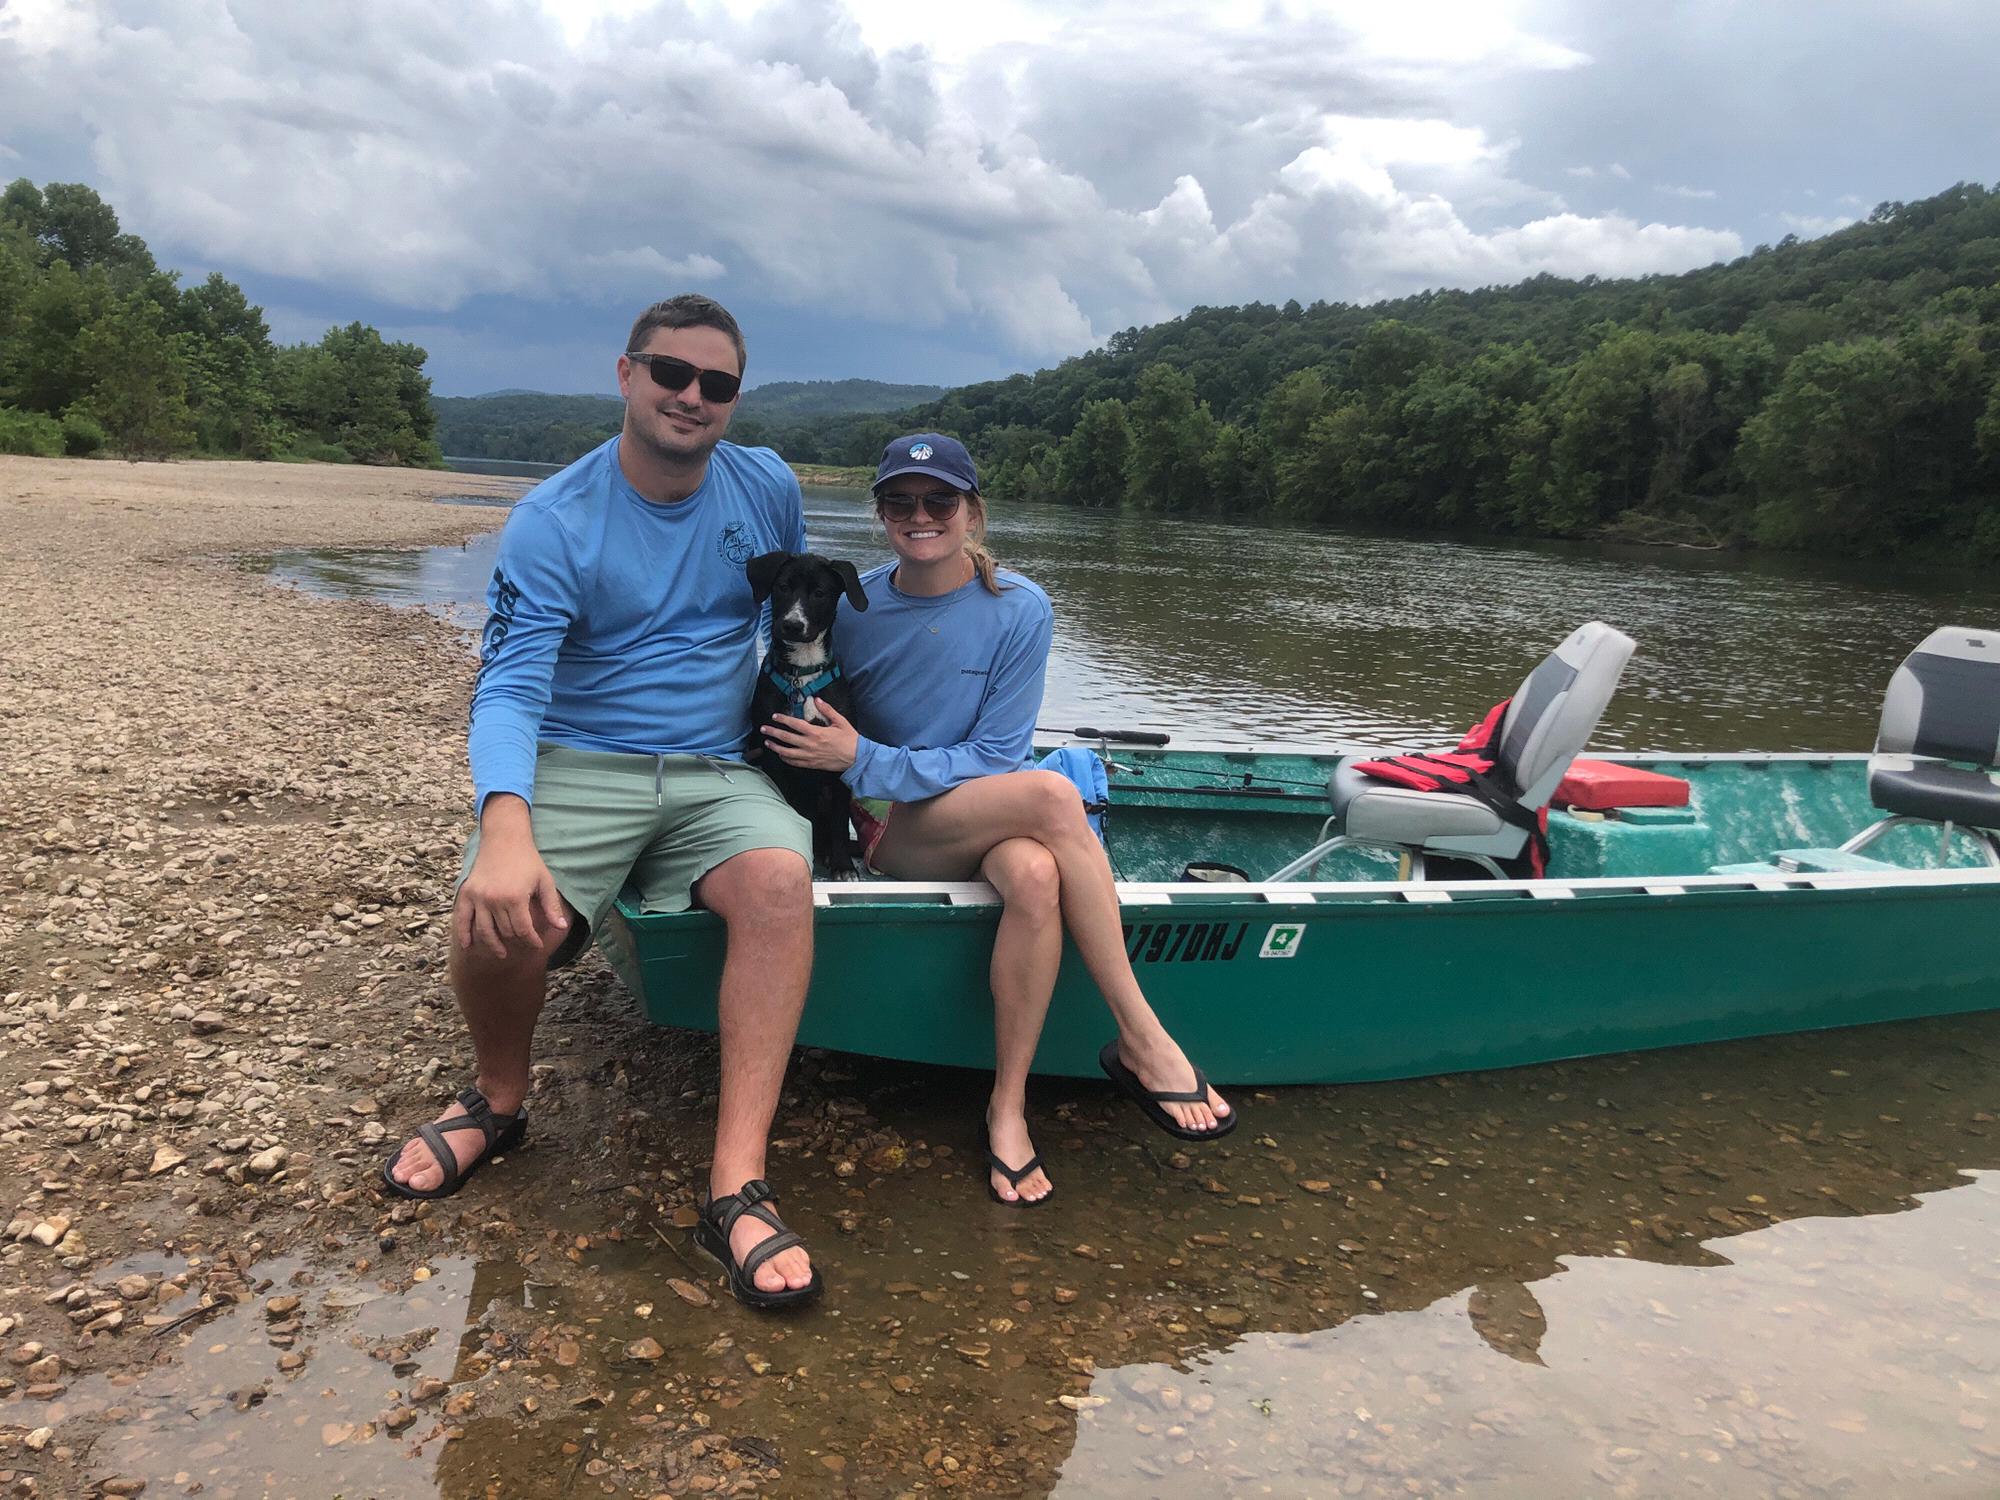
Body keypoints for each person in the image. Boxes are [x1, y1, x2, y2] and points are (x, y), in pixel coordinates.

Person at [383, 294, 822, 1309]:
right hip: (582, 756)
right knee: (499, 919)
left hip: (715, 767)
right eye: (671, 372)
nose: (691, 396)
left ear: (733, 400)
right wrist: (504, 825)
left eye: (716, 384)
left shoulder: (766, 487)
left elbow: (793, 625)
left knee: (779, 889)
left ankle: (735, 1182)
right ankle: (498, 1099)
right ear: (625, 376)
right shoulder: (555, 520)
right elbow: (508, 686)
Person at [761, 433, 1235, 1206]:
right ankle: (1143, 1036)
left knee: (1037, 869)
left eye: (939, 500)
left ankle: (1006, 1109)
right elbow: (793, 689)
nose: (921, 516)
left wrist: (865, 756)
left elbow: (998, 754)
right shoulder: (853, 606)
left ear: (972, 512)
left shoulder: (1020, 608)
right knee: (1052, 797)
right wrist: (846, 767)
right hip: (890, 826)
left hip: (975, 806)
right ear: (880, 514)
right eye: (900, 501)